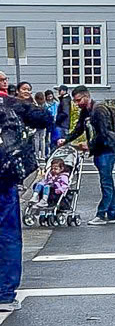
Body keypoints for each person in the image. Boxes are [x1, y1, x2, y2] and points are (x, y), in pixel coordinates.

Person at [0, 82, 55, 313]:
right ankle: (5, 293)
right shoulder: (11, 105)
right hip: (4, 176)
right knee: (8, 234)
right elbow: (44, 119)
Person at [66, 86, 115, 224]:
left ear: (86, 96)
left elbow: (103, 134)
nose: (77, 103)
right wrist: (66, 140)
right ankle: (111, 214)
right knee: (107, 181)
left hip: (107, 149)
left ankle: (102, 213)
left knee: (106, 182)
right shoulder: (86, 111)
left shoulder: (99, 110)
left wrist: (89, 145)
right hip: (100, 150)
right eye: (75, 101)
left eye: (78, 100)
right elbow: (79, 128)